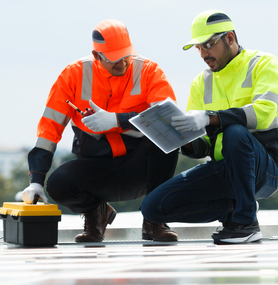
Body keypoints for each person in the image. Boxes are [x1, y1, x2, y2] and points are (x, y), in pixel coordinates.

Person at [19, 19, 180, 242]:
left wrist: (118, 120)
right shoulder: (73, 75)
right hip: (98, 168)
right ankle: (97, 214)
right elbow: (49, 128)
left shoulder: (148, 71)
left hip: (140, 167)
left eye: (126, 56)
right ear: (97, 56)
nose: (123, 64)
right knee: (58, 185)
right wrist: (35, 180)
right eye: (115, 60)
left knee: (166, 135)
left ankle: (155, 221)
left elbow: (168, 118)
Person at [141, 10, 278, 245]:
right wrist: (184, 139)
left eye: (208, 44)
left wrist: (210, 118)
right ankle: (232, 210)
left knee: (234, 132)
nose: (204, 53)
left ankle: (246, 222)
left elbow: (264, 113)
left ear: (229, 38)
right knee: (153, 207)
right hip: (224, 168)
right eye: (199, 48)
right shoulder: (201, 82)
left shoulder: (264, 64)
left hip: (264, 169)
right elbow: (204, 146)